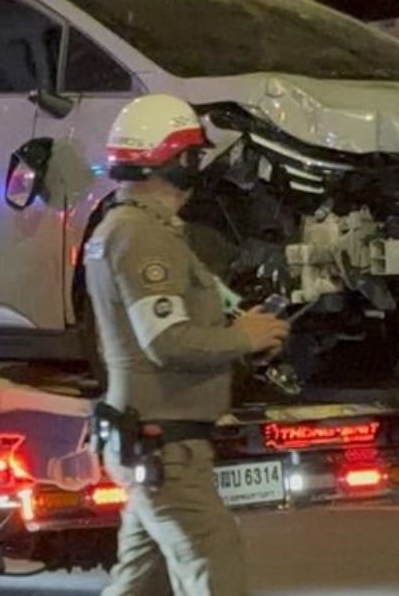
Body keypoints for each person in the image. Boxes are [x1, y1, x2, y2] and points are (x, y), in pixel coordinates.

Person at [86, 94, 290, 596]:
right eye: (192, 157)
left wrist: (241, 335)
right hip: (166, 450)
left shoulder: (132, 229)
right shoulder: (140, 236)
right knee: (215, 574)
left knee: (141, 585)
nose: (197, 169)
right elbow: (167, 342)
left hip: (156, 443)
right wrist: (243, 337)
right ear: (171, 162)